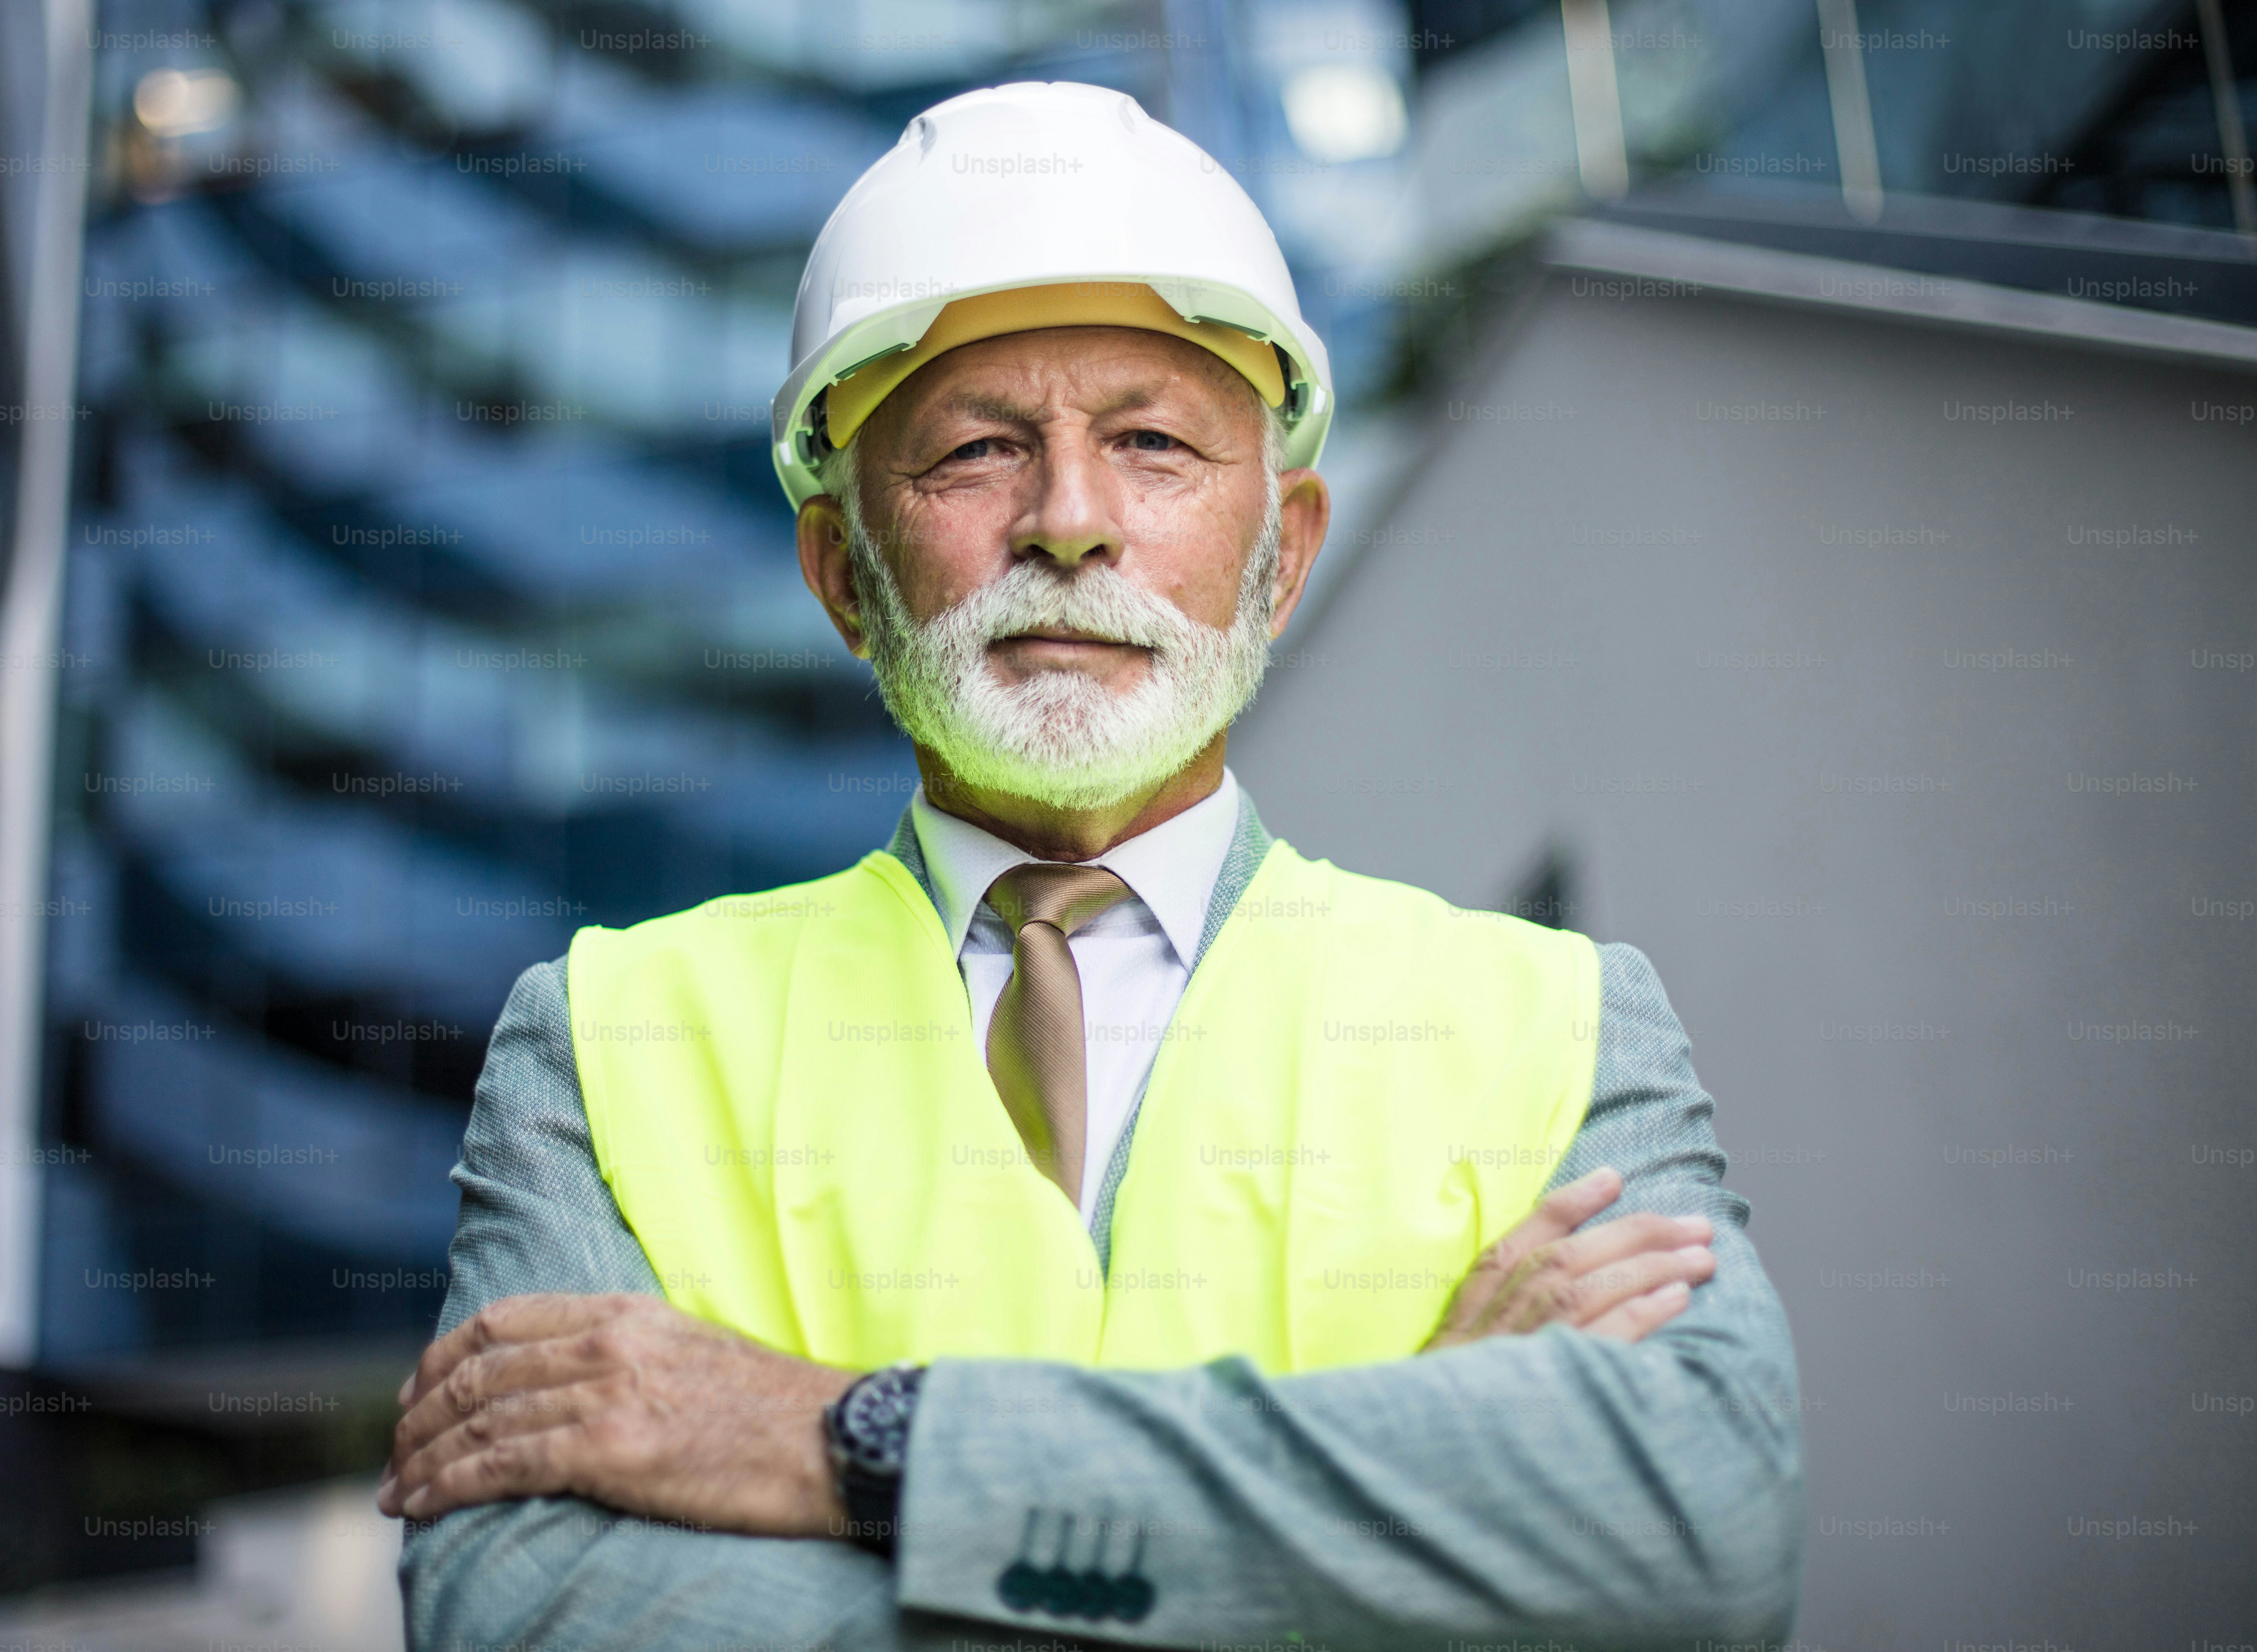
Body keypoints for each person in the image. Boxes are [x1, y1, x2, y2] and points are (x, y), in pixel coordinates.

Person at [384, 80, 1804, 1650]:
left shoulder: (1558, 1019)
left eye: (1151, 445)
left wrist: (844, 1444)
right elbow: (532, 1618)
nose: (1068, 522)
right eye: (976, 454)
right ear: (842, 575)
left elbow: (1693, 1539)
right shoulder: (606, 1039)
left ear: (1283, 555)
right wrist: (1409, 1517)